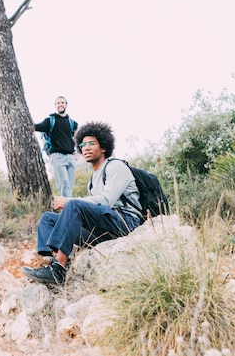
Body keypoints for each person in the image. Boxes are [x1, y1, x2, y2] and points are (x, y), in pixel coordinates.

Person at [21, 121, 143, 285]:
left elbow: (106, 201)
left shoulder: (116, 166)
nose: (86, 147)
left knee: (73, 205)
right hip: (103, 230)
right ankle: (56, 262)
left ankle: (59, 269)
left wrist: (70, 201)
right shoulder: (92, 181)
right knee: (47, 219)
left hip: (126, 223)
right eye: (83, 144)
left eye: (92, 143)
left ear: (103, 147)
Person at [34, 96, 79, 197]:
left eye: (62, 102)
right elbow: (36, 127)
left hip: (71, 157)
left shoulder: (73, 123)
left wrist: (79, 153)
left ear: (66, 105)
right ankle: (67, 209)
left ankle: (67, 207)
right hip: (57, 157)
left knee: (69, 187)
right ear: (55, 106)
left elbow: (80, 139)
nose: (60, 104)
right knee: (64, 185)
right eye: (58, 103)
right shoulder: (50, 121)